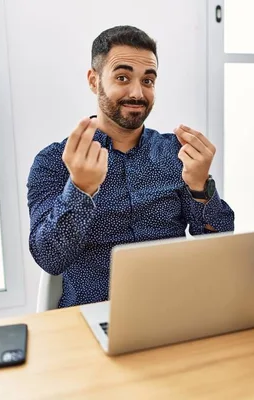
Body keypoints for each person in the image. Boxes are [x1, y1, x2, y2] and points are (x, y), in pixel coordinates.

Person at [26, 26, 235, 308]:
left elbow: (220, 250)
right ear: (94, 80)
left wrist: (200, 186)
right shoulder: (54, 162)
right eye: (122, 77)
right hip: (92, 316)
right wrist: (80, 189)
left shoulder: (176, 153)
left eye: (148, 81)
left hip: (174, 309)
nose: (137, 93)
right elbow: (50, 257)